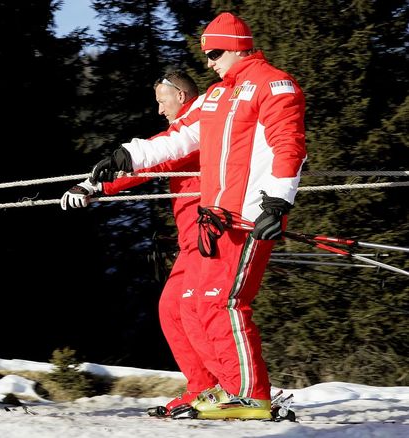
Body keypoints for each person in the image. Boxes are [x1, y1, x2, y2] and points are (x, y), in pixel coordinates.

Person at [88, 12, 307, 420]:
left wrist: (278, 201)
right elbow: (181, 139)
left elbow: (288, 145)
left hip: (249, 215)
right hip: (216, 218)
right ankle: (222, 390)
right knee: (194, 305)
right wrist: (128, 155)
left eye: (215, 52)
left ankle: (251, 395)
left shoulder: (274, 84)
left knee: (223, 302)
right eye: (207, 54)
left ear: (238, 46)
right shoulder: (219, 95)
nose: (209, 61)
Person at [61, 70, 207, 416]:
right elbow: (157, 162)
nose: (159, 110)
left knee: (194, 308)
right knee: (172, 308)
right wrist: (92, 186)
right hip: (192, 236)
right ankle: (203, 386)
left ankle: (229, 388)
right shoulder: (184, 128)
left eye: (162, 102)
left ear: (181, 98)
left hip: (209, 231)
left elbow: (153, 162)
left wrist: (95, 185)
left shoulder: (199, 123)